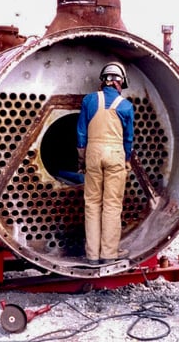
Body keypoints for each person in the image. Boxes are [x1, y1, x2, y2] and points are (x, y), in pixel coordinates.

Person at [76, 61, 134, 265]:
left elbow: (81, 133)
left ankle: (92, 255)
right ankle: (109, 253)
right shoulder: (126, 106)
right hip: (116, 153)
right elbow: (129, 139)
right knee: (112, 205)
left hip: (93, 152)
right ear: (120, 83)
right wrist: (126, 160)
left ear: (103, 81)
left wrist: (82, 159)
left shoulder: (89, 100)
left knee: (92, 204)